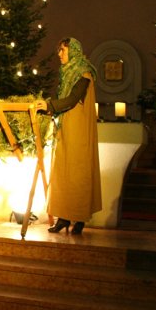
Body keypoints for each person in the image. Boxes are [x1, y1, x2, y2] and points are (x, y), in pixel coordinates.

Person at [36, 37, 102, 235]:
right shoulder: (67, 73)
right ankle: (63, 218)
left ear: (73, 51)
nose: (59, 54)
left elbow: (73, 99)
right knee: (63, 173)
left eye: (63, 50)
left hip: (78, 130)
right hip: (66, 128)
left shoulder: (83, 73)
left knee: (77, 173)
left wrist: (50, 105)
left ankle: (79, 218)